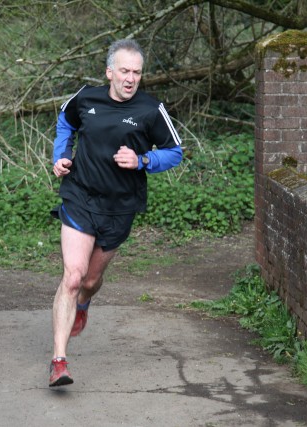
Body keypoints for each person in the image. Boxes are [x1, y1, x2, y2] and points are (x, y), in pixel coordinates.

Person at [49, 39, 183, 387]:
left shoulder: (151, 109)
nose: (130, 78)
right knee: (73, 276)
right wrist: (60, 156)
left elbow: (174, 152)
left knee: (89, 282)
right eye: (124, 71)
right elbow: (65, 123)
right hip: (80, 196)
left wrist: (142, 160)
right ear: (109, 72)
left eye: (137, 72)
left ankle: (83, 304)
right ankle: (59, 362)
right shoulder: (86, 98)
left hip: (120, 207)